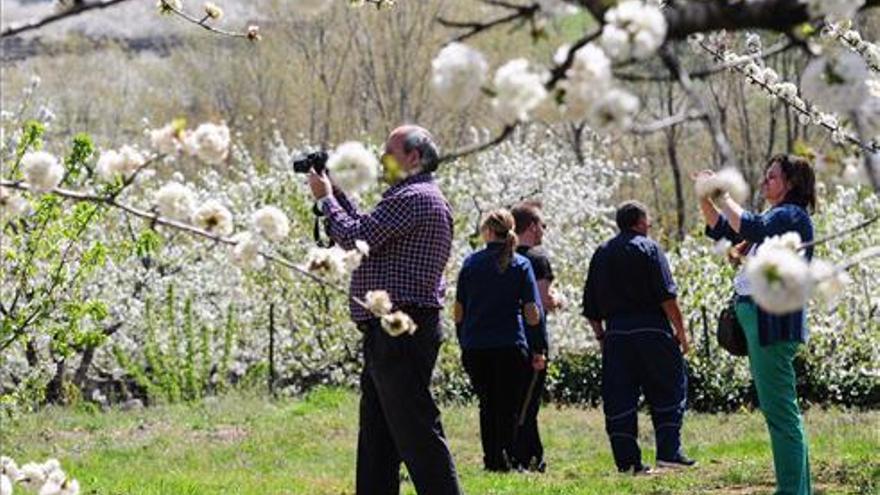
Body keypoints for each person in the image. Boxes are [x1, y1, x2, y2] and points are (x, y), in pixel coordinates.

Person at [308, 125, 461, 495]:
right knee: (378, 437)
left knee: (416, 432)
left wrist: (327, 199)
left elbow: (354, 239)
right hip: (392, 331)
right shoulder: (415, 196)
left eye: (389, 152)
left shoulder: (412, 197)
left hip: (401, 332)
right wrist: (338, 195)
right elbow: (365, 233)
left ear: (413, 156)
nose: (381, 159)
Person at [697, 154, 815, 495]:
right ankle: (797, 489)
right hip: (764, 320)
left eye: (772, 177)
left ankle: (791, 491)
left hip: (771, 322)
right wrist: (706, 198)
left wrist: (722, 192)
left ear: (791, 184)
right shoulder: (775, 218)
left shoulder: (790, 215)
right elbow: (723, 231)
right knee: (781, 412)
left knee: (780, 414)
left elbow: (749, 225)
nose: (764, 183)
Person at [581, 200, 693, 475]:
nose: (650, 225)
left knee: (619, 396)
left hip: (617, 333)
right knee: (668, 389)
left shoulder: (602, 252)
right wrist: (681, 333)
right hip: (652, 329)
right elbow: (667, 296)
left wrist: (602, 337)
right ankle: (669, 453)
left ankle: (628, 463)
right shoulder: (650, 248)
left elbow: (590, 306)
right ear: (640, 223)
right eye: (648, 220)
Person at [453, 208, 543, 472]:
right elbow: (531, 312)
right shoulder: (520, 264)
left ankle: (491, 459)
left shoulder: (470, 263)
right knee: (509, 405)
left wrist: (463, 339)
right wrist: (537, 344)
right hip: (510, 345)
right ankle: (510, 458)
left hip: (476, 345)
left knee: (487, 404)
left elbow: (459, 310)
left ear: (487, 231)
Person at [510, 201, 561, 472]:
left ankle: (512, 453)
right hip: (532, 338)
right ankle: (529, 456)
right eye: (542, 225)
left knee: (514, 400)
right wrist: (558, 299)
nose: (544, 230)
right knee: (529, 402)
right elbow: (542, 301)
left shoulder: (504, 256)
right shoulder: (537, 258)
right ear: (531, 226)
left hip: (508, 337)